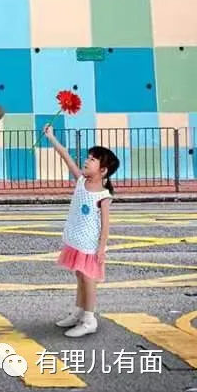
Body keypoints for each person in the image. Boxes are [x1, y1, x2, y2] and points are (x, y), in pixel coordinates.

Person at [43, 123, 119, 337]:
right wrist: (51, 137)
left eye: (92, 159)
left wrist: (102, 249)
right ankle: (77, 312)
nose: (87, 160)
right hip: (76, 240)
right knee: (79, 276)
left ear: (103, 171)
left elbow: (105, 226)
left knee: (88, 279)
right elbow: (65, 155)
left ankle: (88, 319)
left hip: (89, 246)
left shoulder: (103, 196)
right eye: (88, 157)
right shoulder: (80, 181)